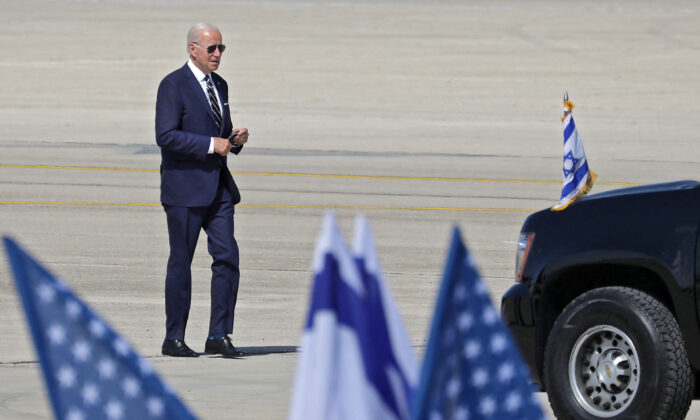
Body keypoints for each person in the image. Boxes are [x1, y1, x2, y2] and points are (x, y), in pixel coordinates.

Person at [155, 23, 249, 358]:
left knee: (227, 258)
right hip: (184, 189)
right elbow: (165, 136)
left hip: (219, 188)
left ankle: (219, 334)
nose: (217, 55)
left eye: (222, 48)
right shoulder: (173, 85)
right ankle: (174, 338)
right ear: (192, 48)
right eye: (211, 48)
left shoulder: (219, 85)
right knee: (181, 261)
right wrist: (212, 144)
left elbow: (218, 134)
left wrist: (232, 141)